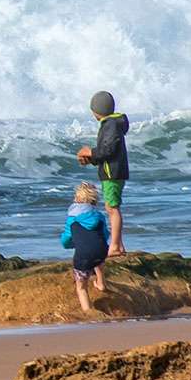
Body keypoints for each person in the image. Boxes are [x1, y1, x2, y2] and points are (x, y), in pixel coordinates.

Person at [75, 90, 129, 256]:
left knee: (112, 208)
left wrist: (90, 152)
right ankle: (118, 245)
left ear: (95, 111)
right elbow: (106, 153)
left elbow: (108, 150)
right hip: (112, 171)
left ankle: (115, 246)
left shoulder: (110, 125)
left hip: (113, 173)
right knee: (111, 207)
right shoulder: (111, 124)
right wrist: (91, 159)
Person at [60, 182, 109, 312]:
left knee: (81, 287)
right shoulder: (99, 216)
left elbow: (66, 239)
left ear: (76, 199)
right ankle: (101, 283)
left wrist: (71, 244)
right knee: (98, 259)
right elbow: (105, 235)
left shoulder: (72, 218)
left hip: (83, 256)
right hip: (102, 251)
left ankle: (88, 312)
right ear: (94, 200)